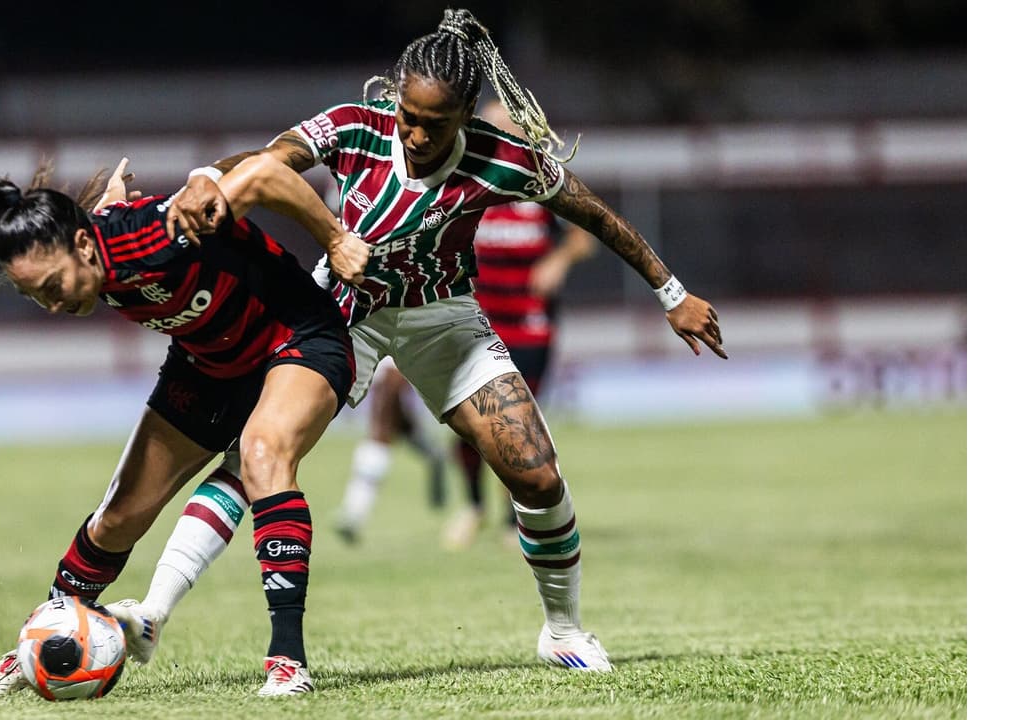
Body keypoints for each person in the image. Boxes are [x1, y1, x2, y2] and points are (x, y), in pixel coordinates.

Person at [167, 7, 726, 674]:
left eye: (434, 124)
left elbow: (595, 215)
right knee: (260, 452)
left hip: (445, 318)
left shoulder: (504, 161)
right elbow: (271, 161)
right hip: (345, 312)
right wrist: (209, 177)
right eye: (408, 115)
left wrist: (672, 293)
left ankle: (564, 632)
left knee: (539, 476)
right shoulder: (355, 127)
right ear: (395, 93)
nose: (414, 133)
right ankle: (151, 613)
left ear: (466, 115)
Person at [0, 153, 368, 698]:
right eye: (35, 295)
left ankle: (287, 659)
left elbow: (263, 173)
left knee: (262, 454)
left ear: (82, 246)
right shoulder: (96, 245)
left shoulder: (160, 231)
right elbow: (107, 218)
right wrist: (112, 201)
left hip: (298, 336)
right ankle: (42, 638)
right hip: (209, 364)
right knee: (117, 515)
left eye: (51, 285)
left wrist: (333, 238)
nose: (51, 304)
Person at [441, 99, 597, 551]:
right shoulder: (465, 184)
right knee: (467, 425)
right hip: (475, 325)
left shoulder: (537, 184)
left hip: (531, 325)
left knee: (518, 425)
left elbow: (584, 234)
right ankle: (472, 507)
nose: (503, 131)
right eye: (494, 124)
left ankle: (516, 520)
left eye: (510, 124)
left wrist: (559, 259)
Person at [334, 357, 448, 545]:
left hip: (391, 372)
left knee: (383, 436)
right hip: (381, 432)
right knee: (391, 439)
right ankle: (352, 515)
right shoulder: (391, 368)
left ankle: (353, 514)